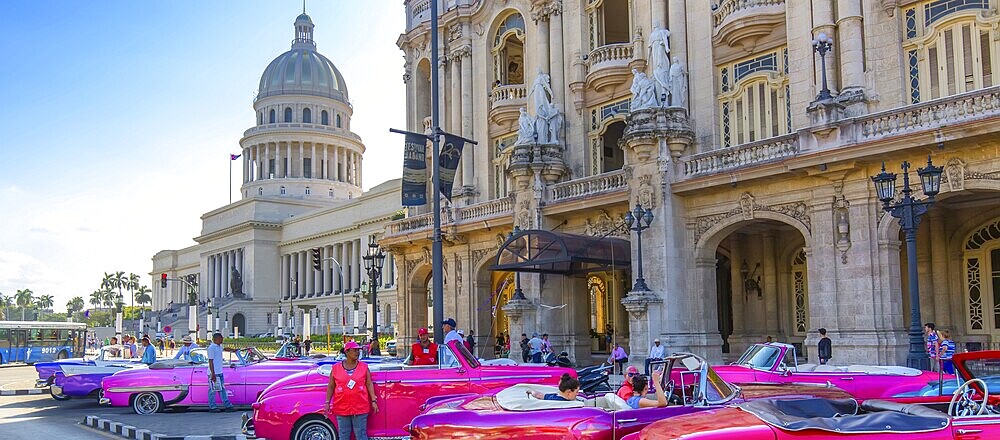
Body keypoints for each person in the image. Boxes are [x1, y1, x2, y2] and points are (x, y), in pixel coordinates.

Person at [324, 341, 378, 440]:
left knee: (361, 435)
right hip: (342, 407)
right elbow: (331, 386)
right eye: (354, 350)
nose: (357, 353)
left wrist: (373, 400)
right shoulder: (335, 368)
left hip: (360, 407)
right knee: (343, 436)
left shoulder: (364, 367)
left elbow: (369, 383)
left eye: (358, 350)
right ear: (347, 352)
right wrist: (327, 402)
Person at [206, 332, 235, 412]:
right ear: (216, 339)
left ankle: (227, 405)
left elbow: (225, 349)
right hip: (213, 373)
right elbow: (210, 362)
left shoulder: (219, 346)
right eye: (221, 338)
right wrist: (213, 374)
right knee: (212, 390)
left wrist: (233, 350)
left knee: (222, 389)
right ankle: (212, 407)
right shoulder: (212, 348)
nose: (222, 340)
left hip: (219, 372)